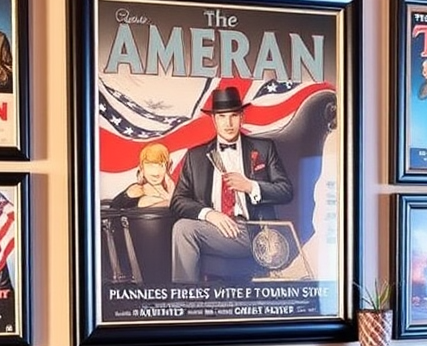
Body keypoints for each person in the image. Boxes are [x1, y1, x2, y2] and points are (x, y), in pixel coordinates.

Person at [169, 86, 293, 284]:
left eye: (233, 116)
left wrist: (251, 186)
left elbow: (286, 191)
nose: (228, 123)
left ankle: (184, 298)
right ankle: (186, 300)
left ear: (242, 117)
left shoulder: (264, 148)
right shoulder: (196, 156)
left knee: (184, 229)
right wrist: (210, 214)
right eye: (222, 117)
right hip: (214, 228)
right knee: (183, 227)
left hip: (252, 230)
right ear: (214, 120)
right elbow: (178, 201)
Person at [110, 143, 175, 209]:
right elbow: (114, 207)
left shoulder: (170, 187)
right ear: (142, 168)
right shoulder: (137, 189)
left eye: (161, 165)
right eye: (150, 166)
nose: (156, 172)